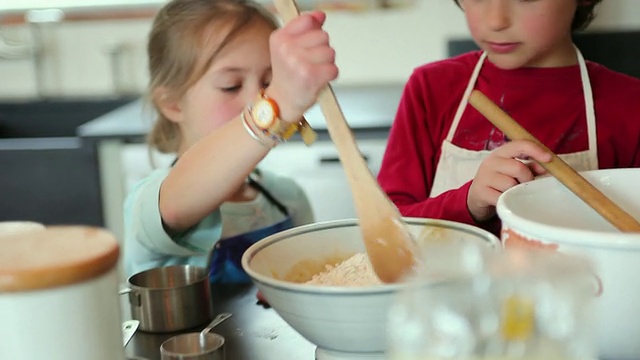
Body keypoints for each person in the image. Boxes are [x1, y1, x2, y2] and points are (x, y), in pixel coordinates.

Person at [377, 0, 640, 236]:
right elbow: (385, 226)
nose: (496, 21)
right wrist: (468, 202)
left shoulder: (630, 103)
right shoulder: (432, 88)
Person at [123, 0, 338, 282]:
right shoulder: (147, 203)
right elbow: (175, 209)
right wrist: (278, 104)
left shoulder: (288, 198)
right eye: (231, 86)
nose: (256, 99)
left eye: (269, 83)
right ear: (173, 103)